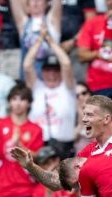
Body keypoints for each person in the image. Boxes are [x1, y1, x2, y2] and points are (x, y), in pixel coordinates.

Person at [25, 26, 76, 156]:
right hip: (39, 145)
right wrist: (39, 40)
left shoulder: (67, 87)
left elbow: (66, 64)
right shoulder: (37, 87)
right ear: (42, 72)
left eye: (55, 70)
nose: (52, 74)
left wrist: (51, 41)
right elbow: (27, 65)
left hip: (64, 145)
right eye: (48, 70)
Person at [10, 0, 62, 78]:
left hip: (49, 76)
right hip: (27, 76)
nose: (35, 1)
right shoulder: (23, 23)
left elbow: (57, 3)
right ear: (28, 5)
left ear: (46, 4)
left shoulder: (52, 21)